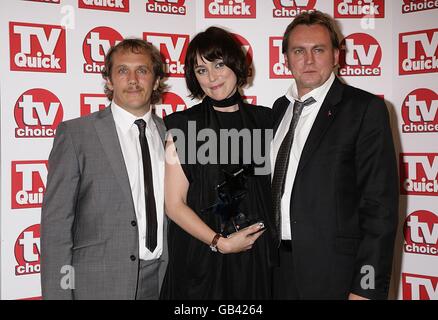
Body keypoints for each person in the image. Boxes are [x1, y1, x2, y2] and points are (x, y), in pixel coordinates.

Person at [271, 11, 399, 300]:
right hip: (276, 270)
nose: (309, 59)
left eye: (319, 49)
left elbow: (379, 207)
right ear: (285, 59)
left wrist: (365, 288)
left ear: (337, 55)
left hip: (335, 274)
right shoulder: (279, 109)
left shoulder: (365, 110)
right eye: (298, 51)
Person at [40, 39, 168, 300]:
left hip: (161, 281)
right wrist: (59, 295)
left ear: (155, 81)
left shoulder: (171, 134)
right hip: (97, 285)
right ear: (109, 81)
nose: (133, 79)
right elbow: (56, 227)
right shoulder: (77, 134)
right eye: (122, 71)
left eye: (142, 70)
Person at [160, 26, 275, 299]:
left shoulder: (267, 121)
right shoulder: (182, 126)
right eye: (201, 70)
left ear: (235, 63)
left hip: (254, 261)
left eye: (219, 64)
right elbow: (174, 204)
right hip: (201, 258)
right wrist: (219, 243)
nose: (211, 77)